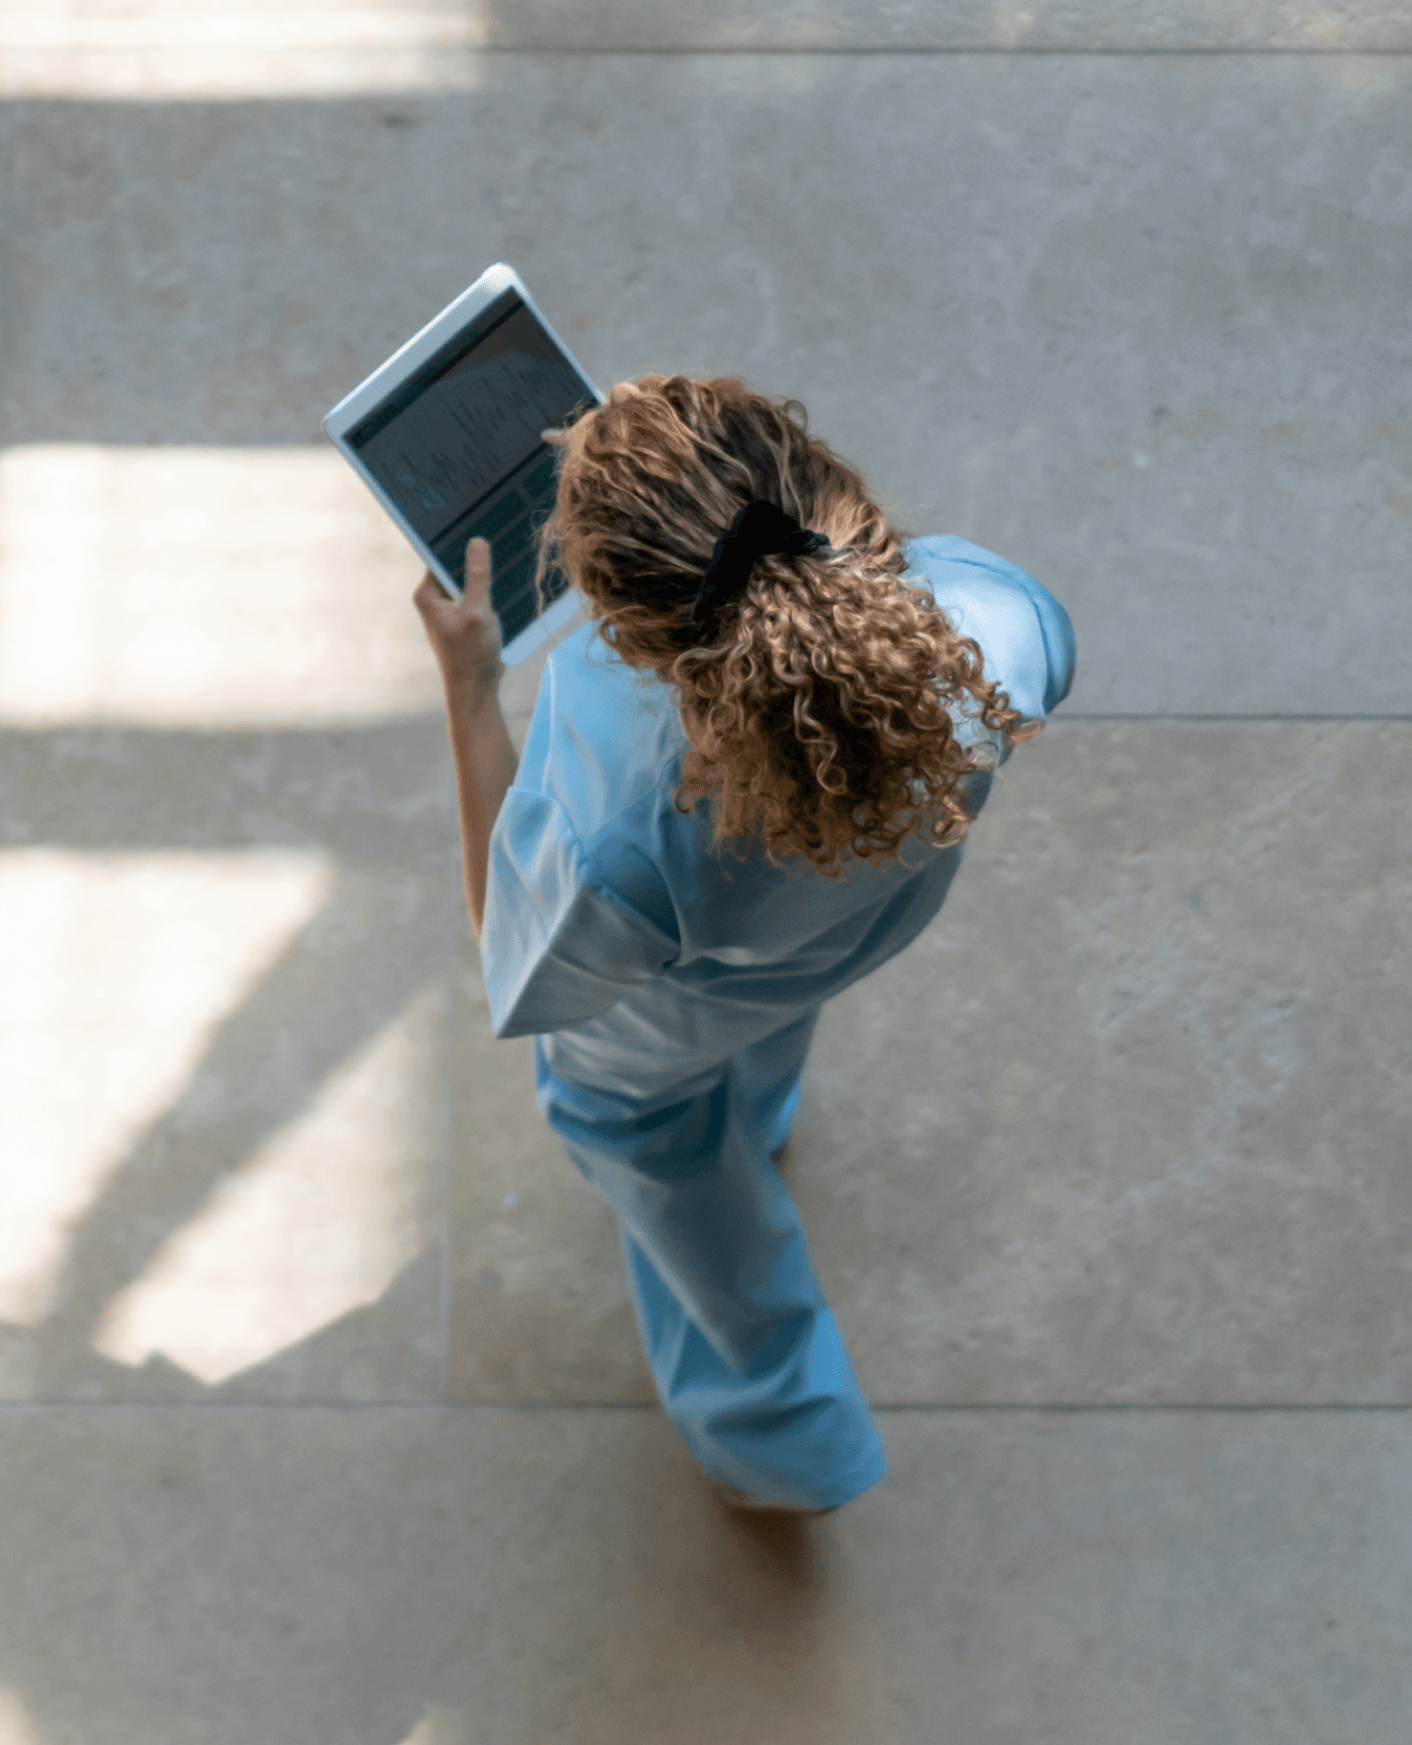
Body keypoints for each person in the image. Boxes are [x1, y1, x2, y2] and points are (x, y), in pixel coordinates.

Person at [409, 375, 1076, 1514]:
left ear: (627, 635)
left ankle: (788, 1444)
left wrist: (471, 690)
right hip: (851, 930)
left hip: (662, 1026)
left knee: (678, 1180)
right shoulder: (997, 625)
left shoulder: (622, 827)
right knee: (765, 1031)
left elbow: (517, 955)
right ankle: (761, 1121)